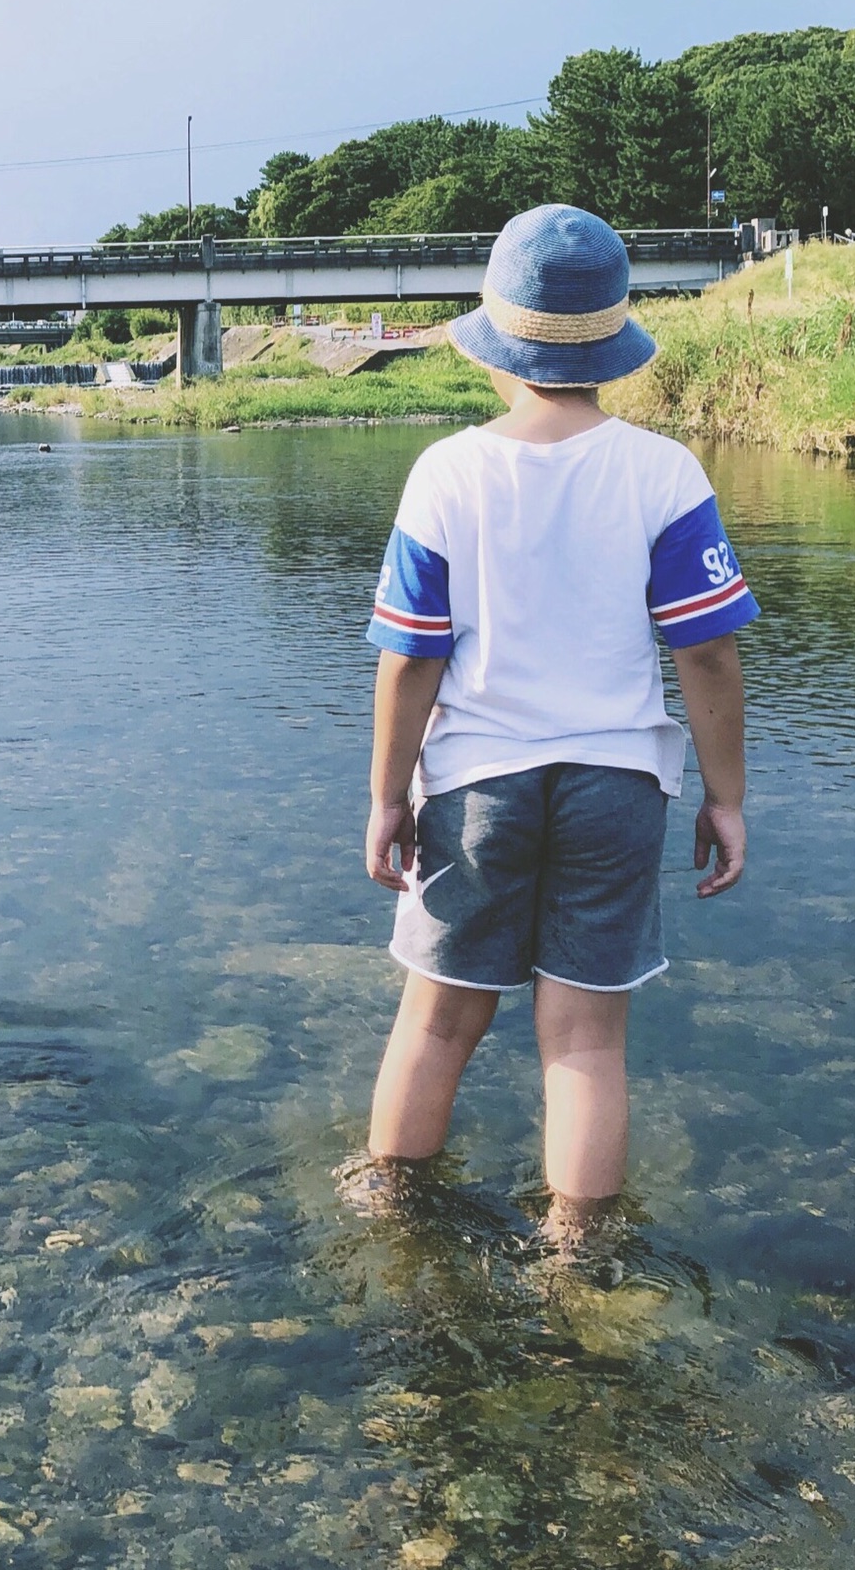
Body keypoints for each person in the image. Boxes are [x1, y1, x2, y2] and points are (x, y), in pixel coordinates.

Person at [360, 203, 757, 1241]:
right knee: (584, 1041)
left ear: (496, 343)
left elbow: (411, 657)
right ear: (611, 347)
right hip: (618, 780)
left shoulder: (447, 469)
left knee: (439, 1019)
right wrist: (727, 798)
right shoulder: (664, 470)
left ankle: (390, 1218)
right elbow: (707, 650)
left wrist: (383, 796)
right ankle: (578, 1259)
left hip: (476, 781)